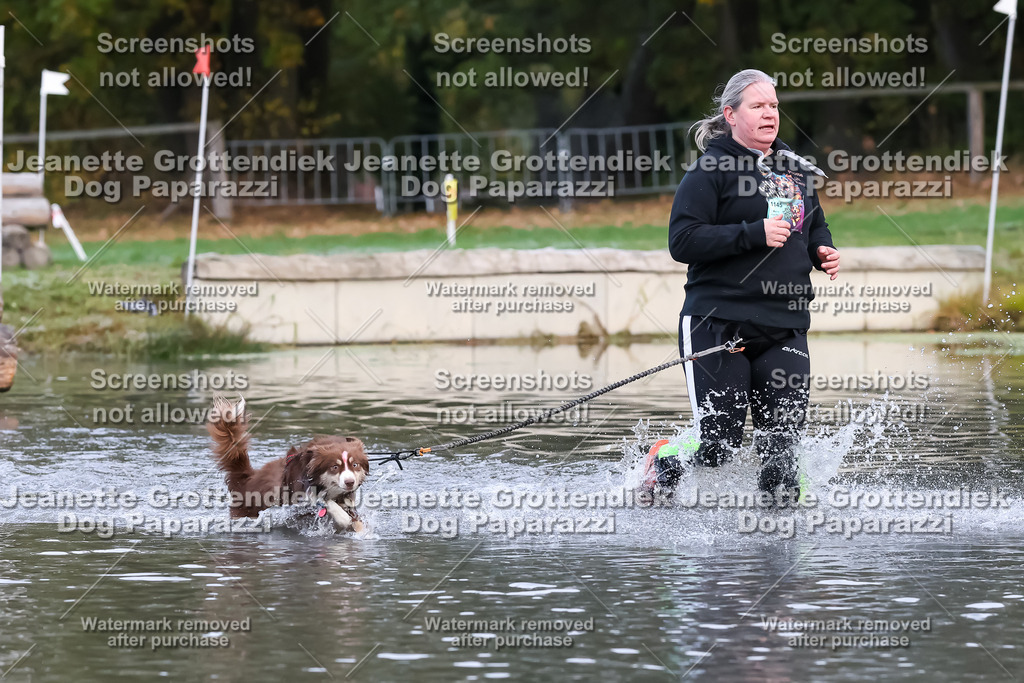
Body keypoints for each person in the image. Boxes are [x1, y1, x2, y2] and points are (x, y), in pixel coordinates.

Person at [656, 68, 840, 503]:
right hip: (718, 324)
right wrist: (751, 233)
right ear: (730, 114)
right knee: (719, 444)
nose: (769, 114)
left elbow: (813, 225)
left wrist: (822, 251)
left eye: (774, 105)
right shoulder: (710, 170)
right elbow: (682, 241)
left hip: (784, 324)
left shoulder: (794, 169)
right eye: (757, 106)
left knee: (782, 459)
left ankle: (778, 558)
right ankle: (665, 459)